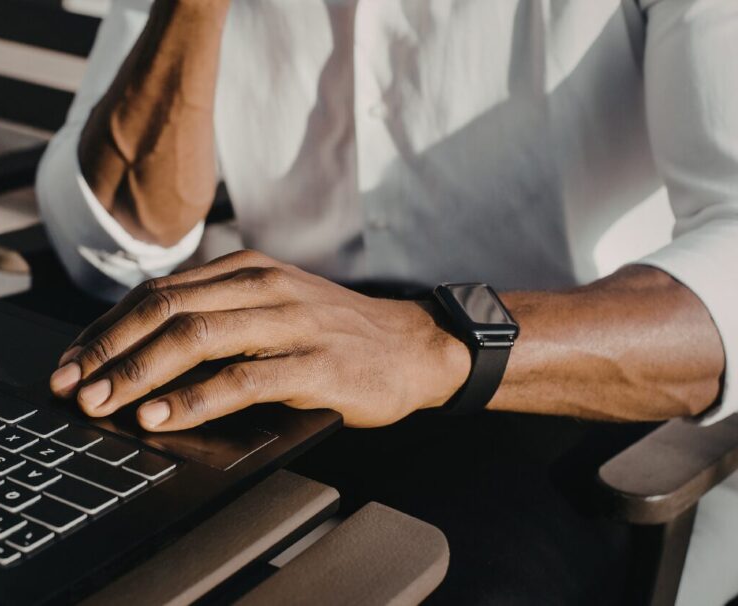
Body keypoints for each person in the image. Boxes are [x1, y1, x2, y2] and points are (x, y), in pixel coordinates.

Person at [36, 0, 737, 603]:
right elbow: (107, 245)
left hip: (553, 384)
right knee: (57, 551)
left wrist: (432, 342)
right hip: (277, 362)